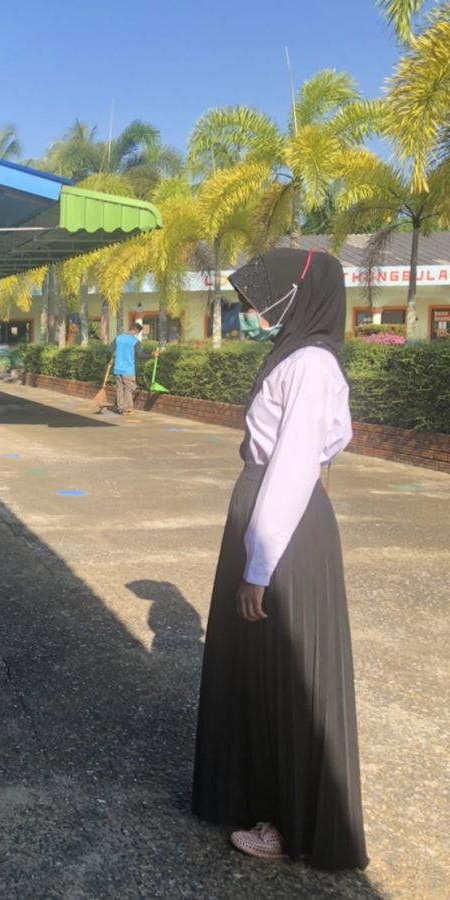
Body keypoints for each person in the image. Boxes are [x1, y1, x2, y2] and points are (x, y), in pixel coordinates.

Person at [192, 248, 368, 870]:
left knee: (282, 674)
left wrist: (259, 567)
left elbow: (294, 469)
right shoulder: (299, 356)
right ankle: (259, 800)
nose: (254, 309)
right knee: (260, 667)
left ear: (300, 295)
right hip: (273, 512)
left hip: (281, 523)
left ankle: (288, 822)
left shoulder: (312, 364)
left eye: (262, 298)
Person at [109, 321, 157, 414]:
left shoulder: (118, 338)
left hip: (117, 369)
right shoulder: (135, 341)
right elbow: (140, 354)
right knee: (128, 390)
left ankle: (120, 408)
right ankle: (127, 409)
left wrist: (108, 361)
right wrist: (152, 355)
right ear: (136, 331)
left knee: (119, 389)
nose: (137, 334)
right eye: (138, 332)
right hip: (128, 370)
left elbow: (109, 351)